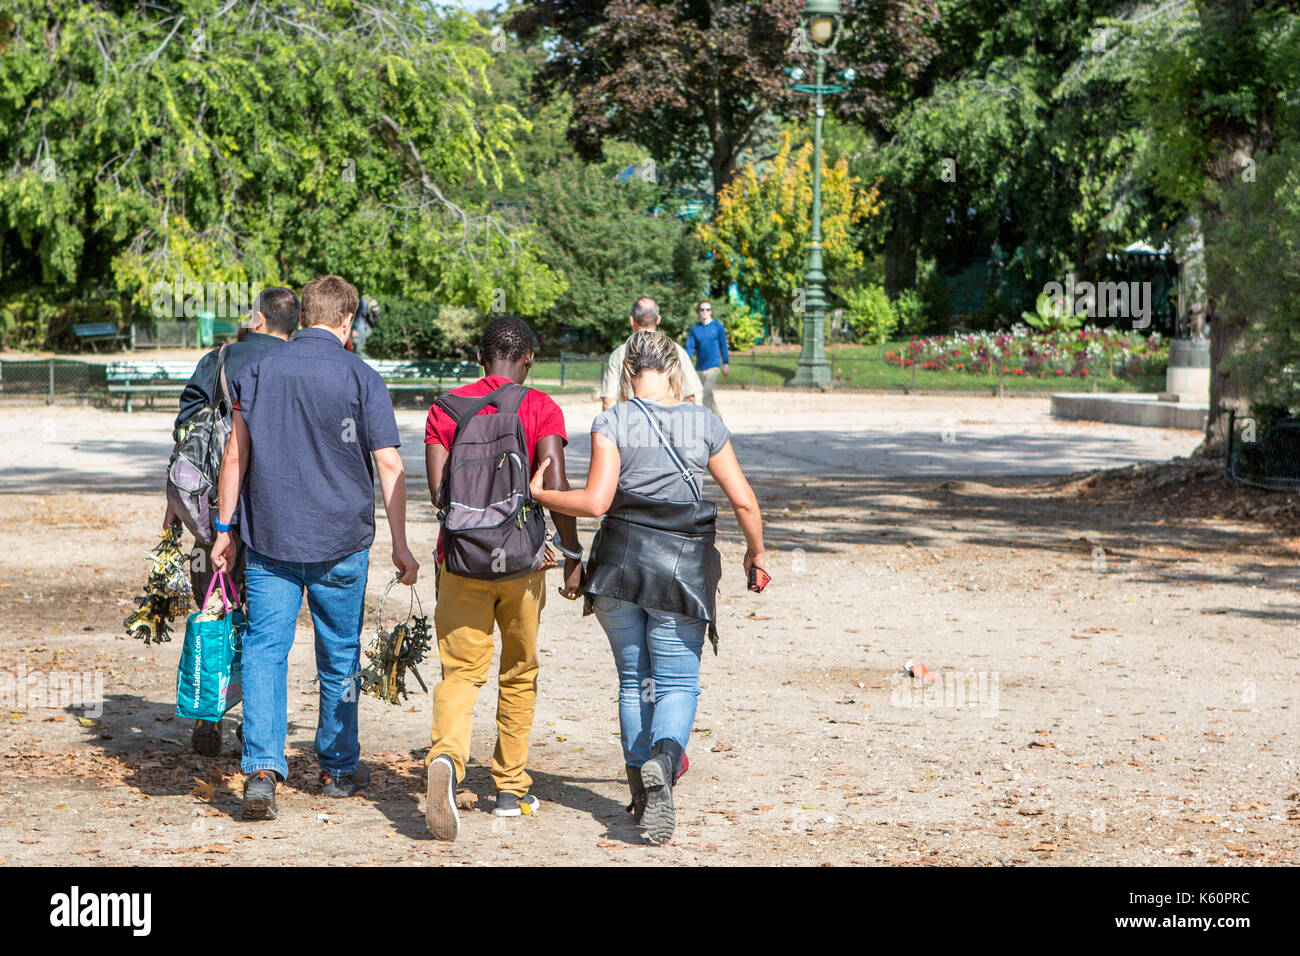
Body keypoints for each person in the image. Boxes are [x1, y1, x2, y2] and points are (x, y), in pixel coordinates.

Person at [529, 329, 766, 845]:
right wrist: (757, 553)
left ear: (626, 372)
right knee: (678, 682)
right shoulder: (705, 423)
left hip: (619, 566)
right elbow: (744, 502)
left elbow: (595, 503)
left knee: (634, 681)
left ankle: (641, 786)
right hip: (681, 572)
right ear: (676, 370)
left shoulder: (612, 420)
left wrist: (543, 492)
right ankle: (665, 758)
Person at [212, 275, 419, 822]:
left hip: (270, 536)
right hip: (341, 540)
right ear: (346, 321)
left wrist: (223, 528)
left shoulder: (254, 369)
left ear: (303, 315)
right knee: (339, 654)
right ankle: (338, 767)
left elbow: (235, 457)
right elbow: (390, 464)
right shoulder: (362, 376)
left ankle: (260, 769)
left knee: (264, 651)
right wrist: (401, 545)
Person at [421, 315, 583, 840]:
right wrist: (572, 549)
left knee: (461, 672)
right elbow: (554, 480)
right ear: (528, 359)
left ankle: (446, 758)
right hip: (522, 562)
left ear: (479, 357)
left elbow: (438, 493)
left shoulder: (445, 407)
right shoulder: (540, 406)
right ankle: (510, 788)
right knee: (518, 672)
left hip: (461, 560)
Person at [164, 287, 299, 758]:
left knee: (213, 608)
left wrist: (173, 508)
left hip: (211, 517)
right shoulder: (296, 363)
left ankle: (208, 717)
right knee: (264, 625)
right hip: (272, 513)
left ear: (256, 318)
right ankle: (255, 724)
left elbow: (187, 433)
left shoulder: (218, 358)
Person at [600, 295, 703, 411]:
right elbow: (689, 398)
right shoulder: (676, 350)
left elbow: (609, 401)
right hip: (668, 426)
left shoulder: (619, 354)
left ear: (631, 320)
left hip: (630, 424)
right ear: (658, 319)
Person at [684, 299, 729, 419]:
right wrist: (685, 361)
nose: (705, 312)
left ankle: (702, 421)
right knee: (709, 396)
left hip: (713, 367)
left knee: (706, 393)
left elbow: (723, 346)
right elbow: (690, 347)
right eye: (702, 309)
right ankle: (718, 419)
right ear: (699, 312)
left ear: (711, 312)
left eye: (707, 309)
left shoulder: (718, 327)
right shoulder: (695, 329)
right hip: (699, 368)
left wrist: (726, 363)